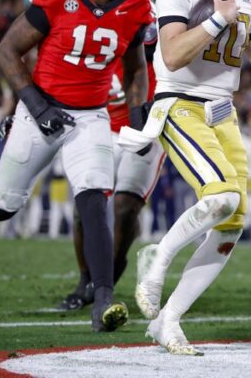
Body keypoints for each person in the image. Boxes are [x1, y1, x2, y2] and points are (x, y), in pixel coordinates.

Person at [0, 0, 152, 333]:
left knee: (94, 199)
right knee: (10, 202)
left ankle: (102, 296)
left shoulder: (137, 3)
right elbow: (8, 50)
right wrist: (34, 105)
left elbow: (136, 67)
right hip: (40, 110)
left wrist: (137, 113)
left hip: (91, 115)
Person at [120, 0, 251, 355]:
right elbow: (172, 55)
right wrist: (218, 19)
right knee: (223, 196)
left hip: (222, 109)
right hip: (179, 101)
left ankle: (169, 320)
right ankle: (158, 256)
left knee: (232, 222)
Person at [57, 54, 166, 311]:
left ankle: (107, 279)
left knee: (125, 207)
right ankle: (86, 280)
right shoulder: (108, 32)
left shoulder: (163, 32)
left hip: (146, 132)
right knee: (84, 206)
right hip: (102, 128)